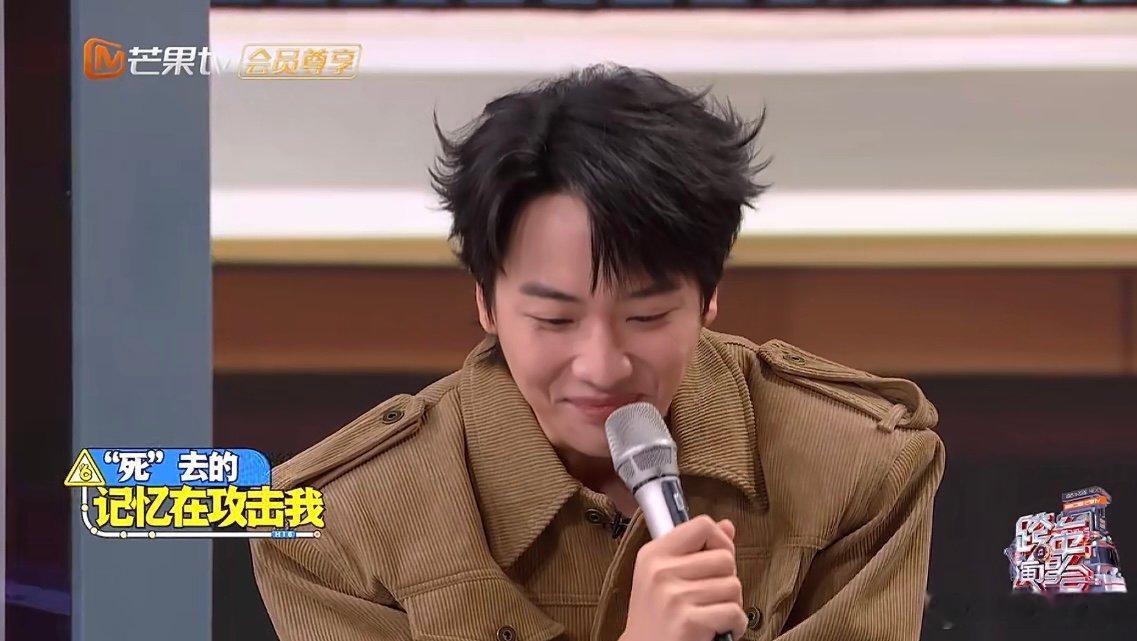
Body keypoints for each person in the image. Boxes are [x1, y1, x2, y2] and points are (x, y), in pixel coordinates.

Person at [251, 64, 945, 641]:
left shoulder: (858, 464)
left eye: (646, 316)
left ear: (709, 297)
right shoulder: (339, 522)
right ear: (486, 303)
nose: (603, 365)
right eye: (555, 319)